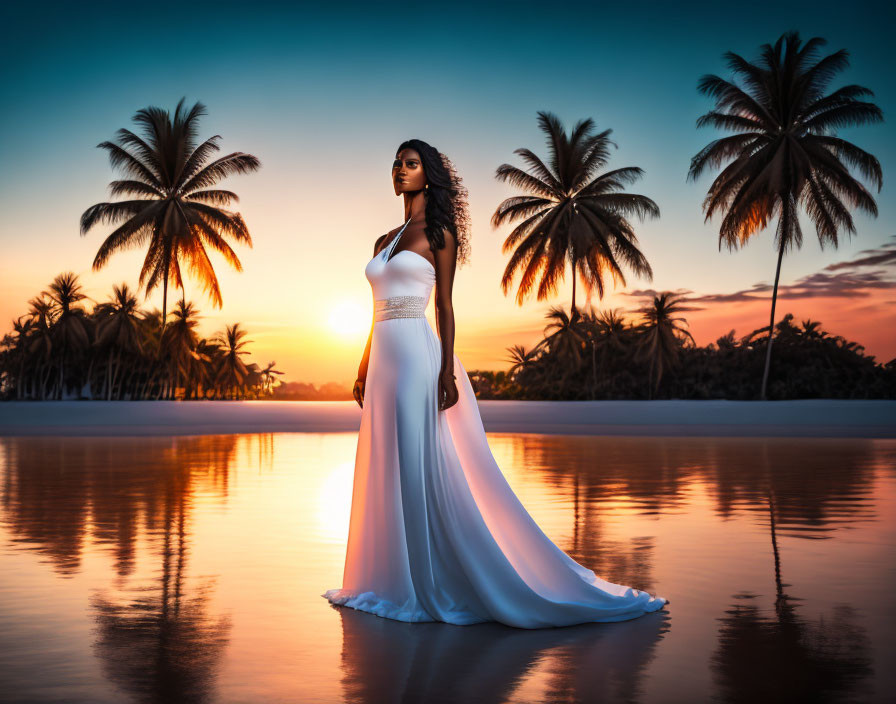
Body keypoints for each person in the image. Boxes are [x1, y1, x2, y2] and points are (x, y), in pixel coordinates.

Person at [322, 139, 668, 628]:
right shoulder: (385, 240)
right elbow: (373, 311)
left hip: (420, 358)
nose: (400, 169)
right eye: (397, 163)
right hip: (382, 361)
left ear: (429, 175)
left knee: (421, 466)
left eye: (411, 163)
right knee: (387, 463)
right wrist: (361, 366)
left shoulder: (440, 233)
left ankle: (436, 583)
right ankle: (388, 580)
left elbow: (443, 307)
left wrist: (445, 371)